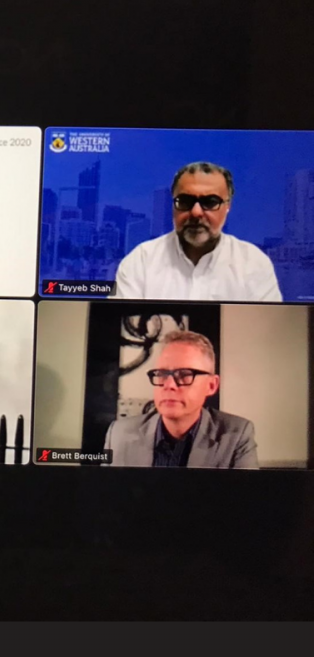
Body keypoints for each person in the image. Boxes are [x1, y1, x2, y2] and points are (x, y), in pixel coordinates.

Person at [113, 161, 281, 301]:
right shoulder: (141, 262)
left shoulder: (254, 264)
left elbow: (268, 327)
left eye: (210, 202)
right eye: (185, 201)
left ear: (228, 206)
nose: (196, 212)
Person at [103, 330, 258, 468]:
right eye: (162, 374)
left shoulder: (236, 435)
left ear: (211, 385)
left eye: (184, 374)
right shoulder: (119, 434)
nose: (169, 385)